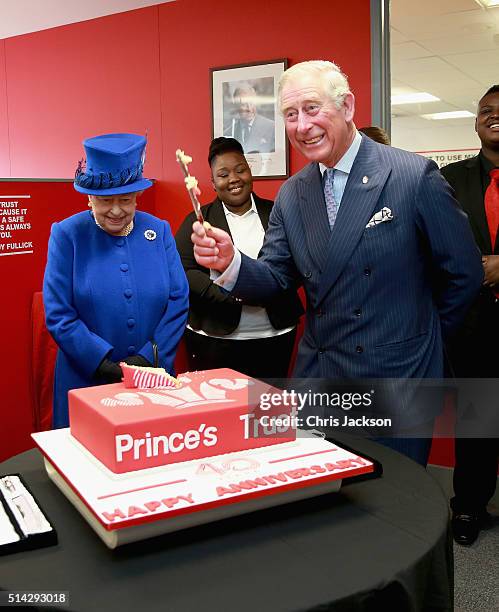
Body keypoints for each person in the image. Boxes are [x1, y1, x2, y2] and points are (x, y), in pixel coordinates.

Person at [191, 60, 483, 466]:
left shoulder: (411, 177)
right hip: (322, 377)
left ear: (347, 107)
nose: (301, 125)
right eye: (290, 115)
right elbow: (276, 276)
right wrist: (232, 263)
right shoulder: (293, 195)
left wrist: (422, 338)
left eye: (312, 109)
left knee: (397, 506)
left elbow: (464, 275)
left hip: (395, 377)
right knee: (328, 502)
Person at [43, 133, 189, 428]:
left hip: (153, 380)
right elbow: (59, 313)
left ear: (137, 196)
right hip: (86, 381)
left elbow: (178, 299)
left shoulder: (158, 231)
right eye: (105, 201)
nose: (117, 210)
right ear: (89, 198)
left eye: (126, 199)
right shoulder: (67, 235)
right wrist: (101, 362)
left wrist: (151, 356)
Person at [175, 137, 303, 379]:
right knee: (218, 413)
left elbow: (297, 264)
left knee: (268, 411)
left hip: (274, 337)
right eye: (223, 175)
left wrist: (266, 290)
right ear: (213, 183)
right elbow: (183, 270)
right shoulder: (198, 221)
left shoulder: (277, 213)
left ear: (250, 173)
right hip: (215, 340)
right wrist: (233, 295)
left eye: (240, 170)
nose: (233, 179)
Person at [441, 84, 499, 545]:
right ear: (475, 122)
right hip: (473, 324)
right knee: (477, 420)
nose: (493, 116)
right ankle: (468, 507)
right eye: (486, 110)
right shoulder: (448, 180)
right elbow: (433, 245)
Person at [225, 84, 275, 153]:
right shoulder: (228, 133)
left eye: (251, 103)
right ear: (236, 105)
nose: (249, 108)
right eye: (244, 104)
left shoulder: (271, 127)